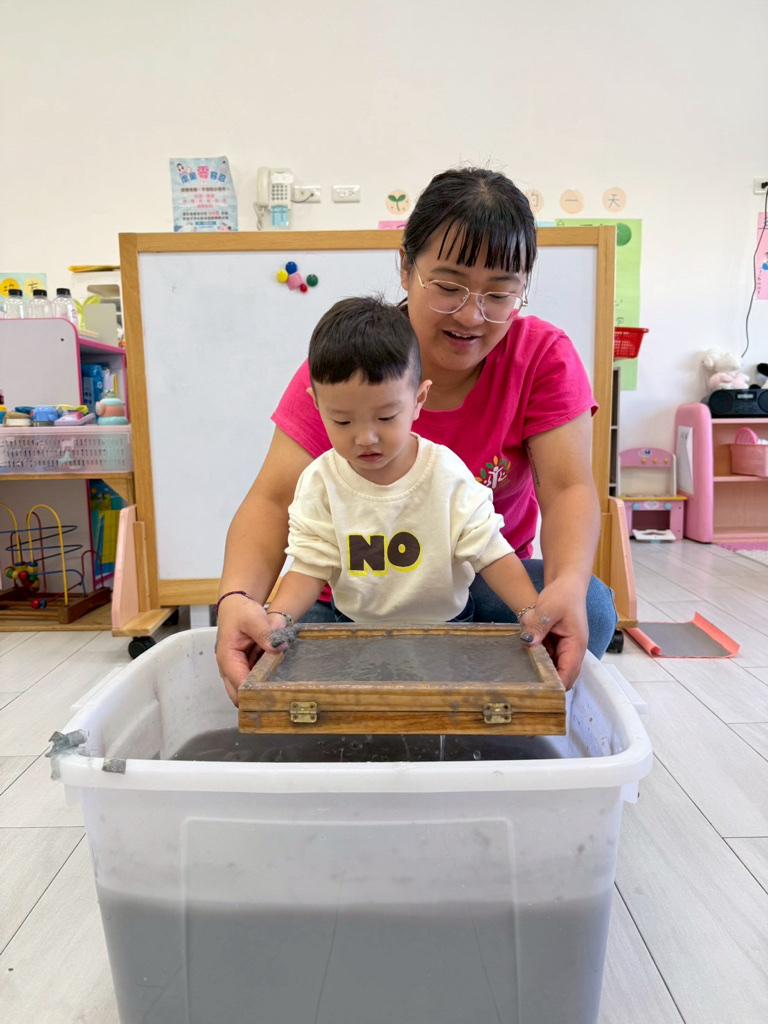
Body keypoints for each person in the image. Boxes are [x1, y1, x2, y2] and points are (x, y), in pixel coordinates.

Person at [216, 166, 616, 705]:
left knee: (587, 606)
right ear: (405, 268)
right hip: (352, 590)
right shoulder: (351, 369)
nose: (471, 316)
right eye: (448, 287)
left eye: (500, 294)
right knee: (266, 637)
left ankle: (483, 699)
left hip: (478, 582)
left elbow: (568, 488)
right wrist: (237, 598)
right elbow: (272, 499)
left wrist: (563, 586)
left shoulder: (540, 357)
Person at [255, 296, 545, 653]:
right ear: (317, 405)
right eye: (342, 421)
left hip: (447, 627)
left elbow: (491, 551)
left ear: (419, 400)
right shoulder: (321, 481)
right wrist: (278, 616)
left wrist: (530, 611)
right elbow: (310, 566)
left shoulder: (445, 473)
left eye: (386, 417)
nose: (365, 438)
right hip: (355, 628)